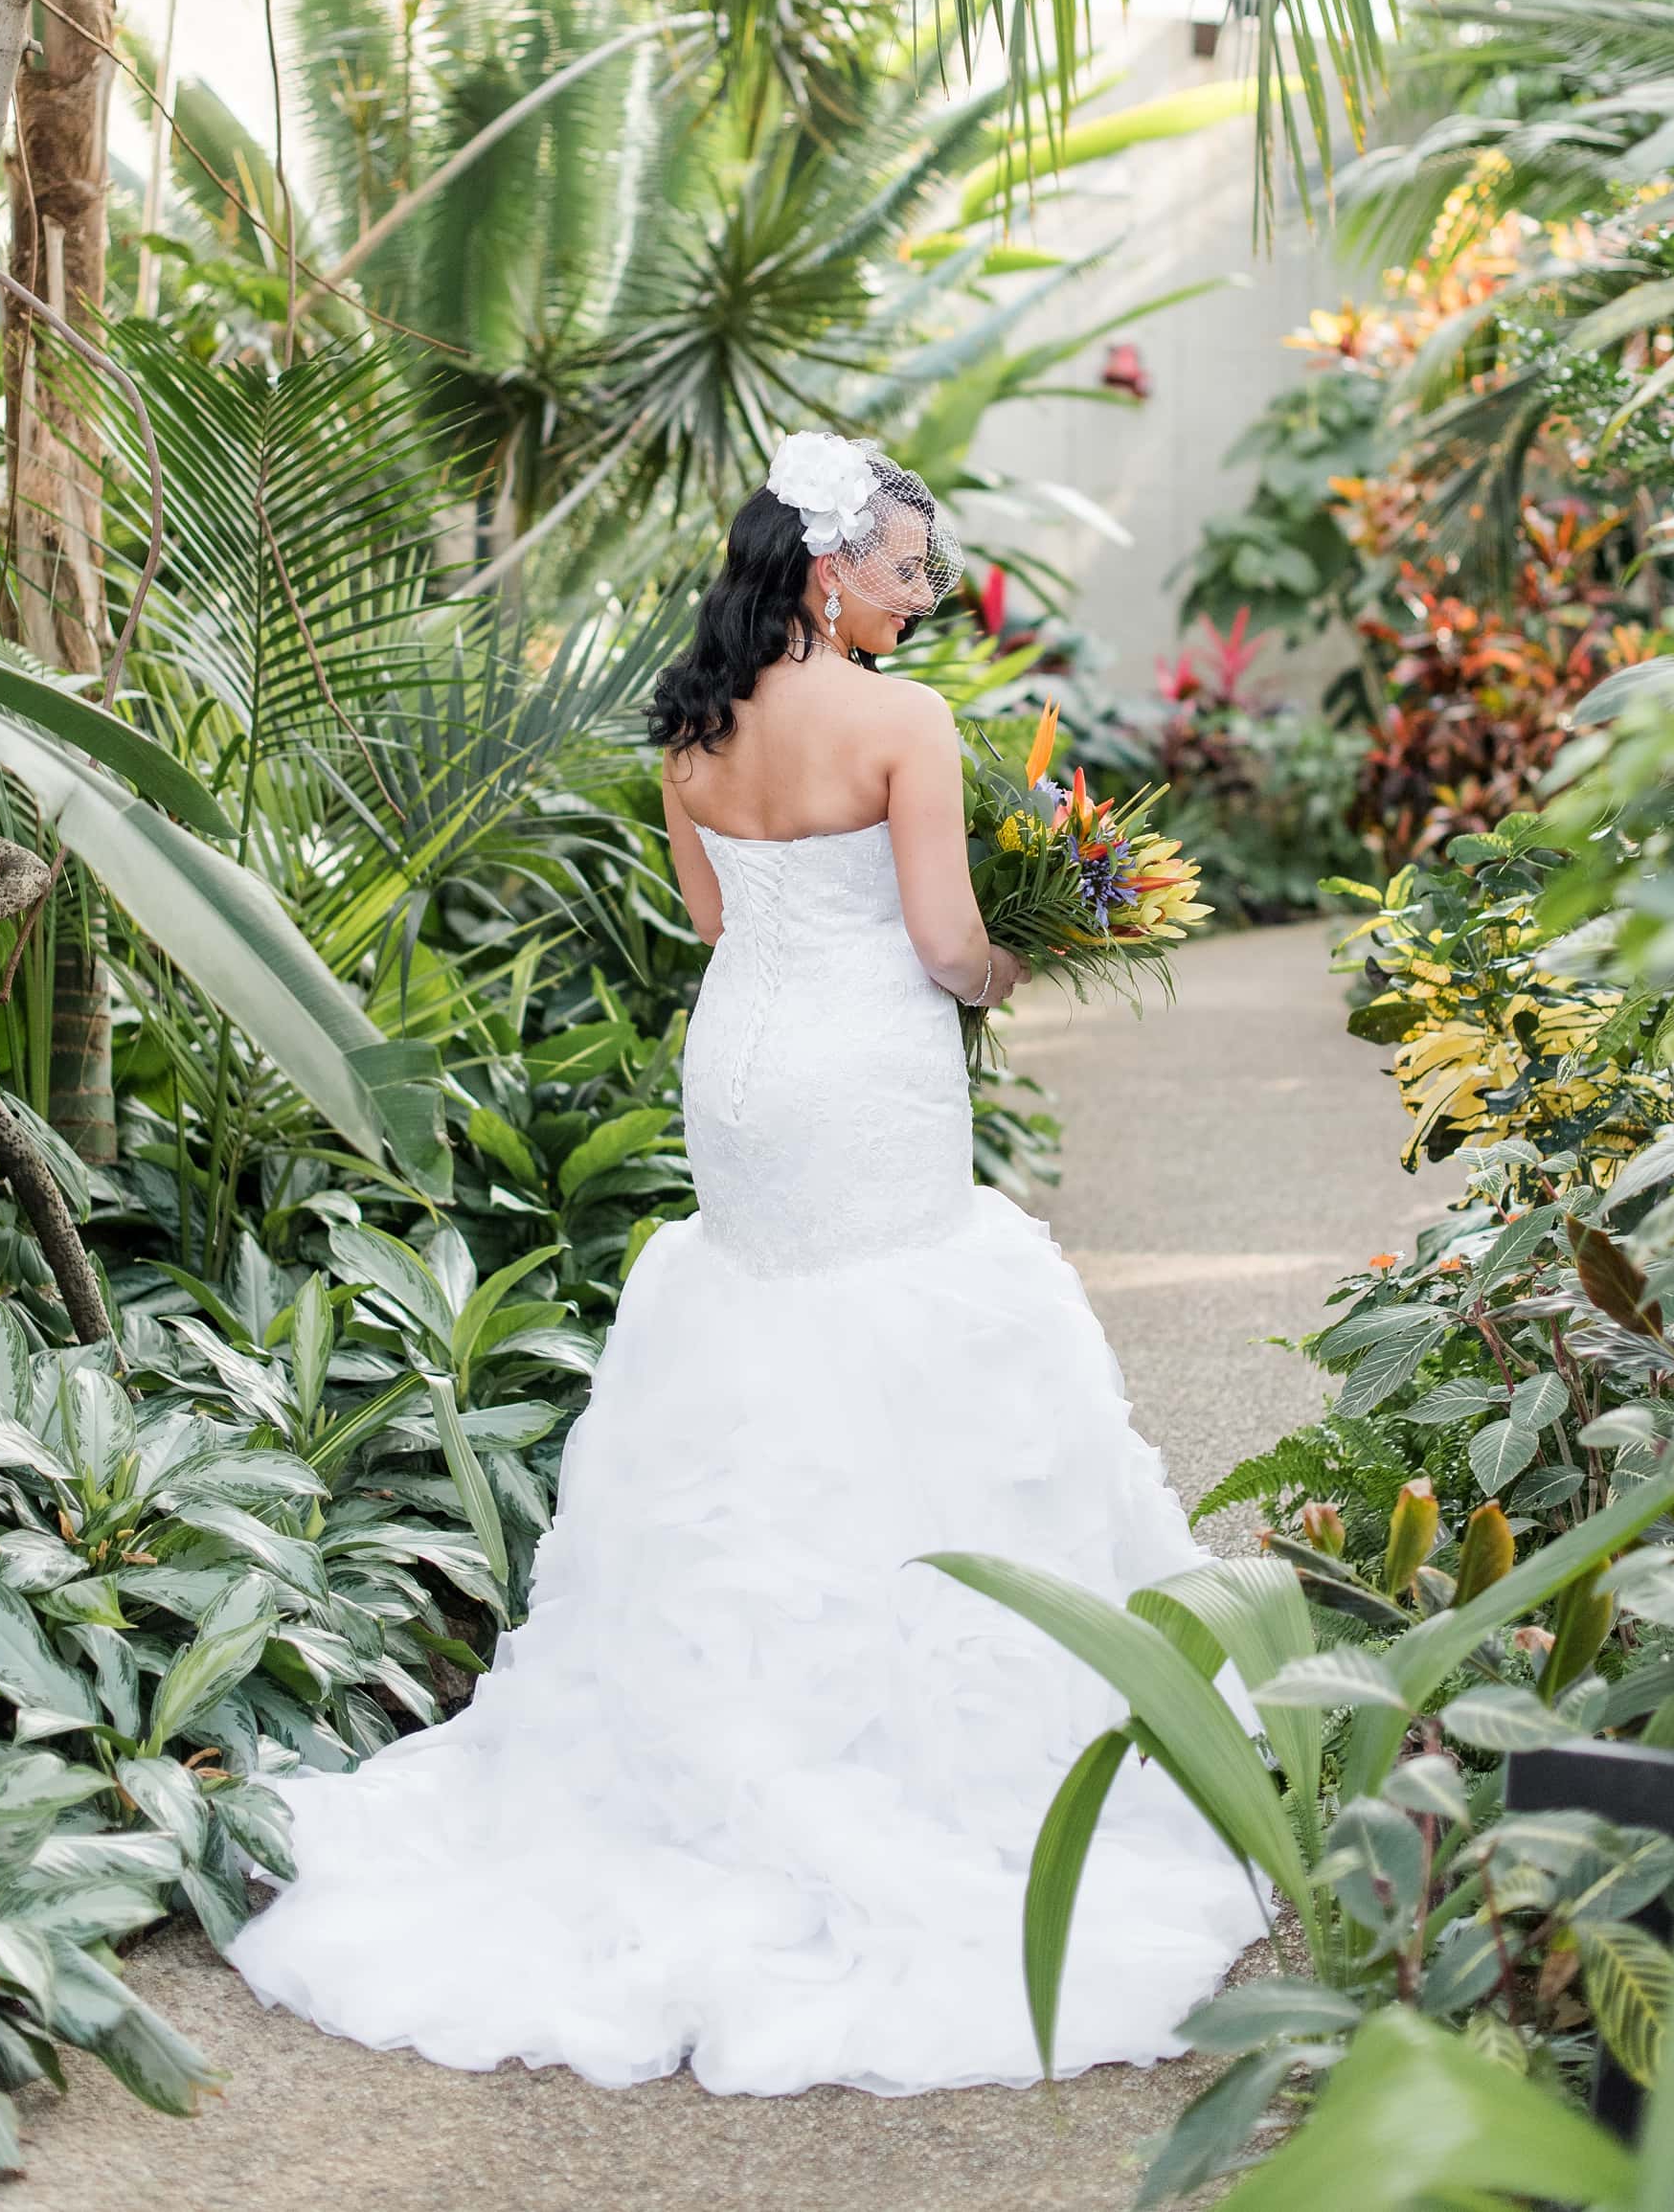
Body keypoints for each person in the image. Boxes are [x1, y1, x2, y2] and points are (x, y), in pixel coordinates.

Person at [230, 431, 1265, 2094]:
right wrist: (1029, 949)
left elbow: (716, 926)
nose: (924, 599)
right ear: (829, 568)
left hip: (743, 1073)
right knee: (908, 1321)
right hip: (867, 1074)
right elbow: (941, 947)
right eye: (910, 569)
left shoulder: (692, 729)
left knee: (763, 1323)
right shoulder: (905, 723)